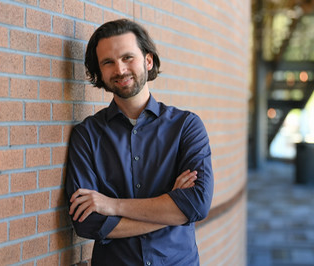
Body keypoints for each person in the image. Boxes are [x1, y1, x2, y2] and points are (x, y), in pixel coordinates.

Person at [65, 19, 214, 266]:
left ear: (148, 60)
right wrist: (172, 210)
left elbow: (197, 204)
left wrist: (111, 205)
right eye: (108, 62)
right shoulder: (87, 135)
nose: (120, 69)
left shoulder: (186, 126)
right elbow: (87, 222)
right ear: (100, 72)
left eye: (127, 57)